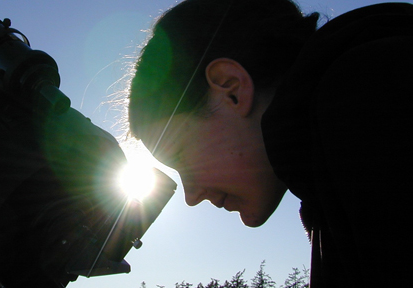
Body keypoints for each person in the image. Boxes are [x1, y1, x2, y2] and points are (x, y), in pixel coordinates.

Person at [126, 0, 413, 286]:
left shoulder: (374, 100)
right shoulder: (327, 171)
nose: (190, 197)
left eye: (180, 156)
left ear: (231, 88)